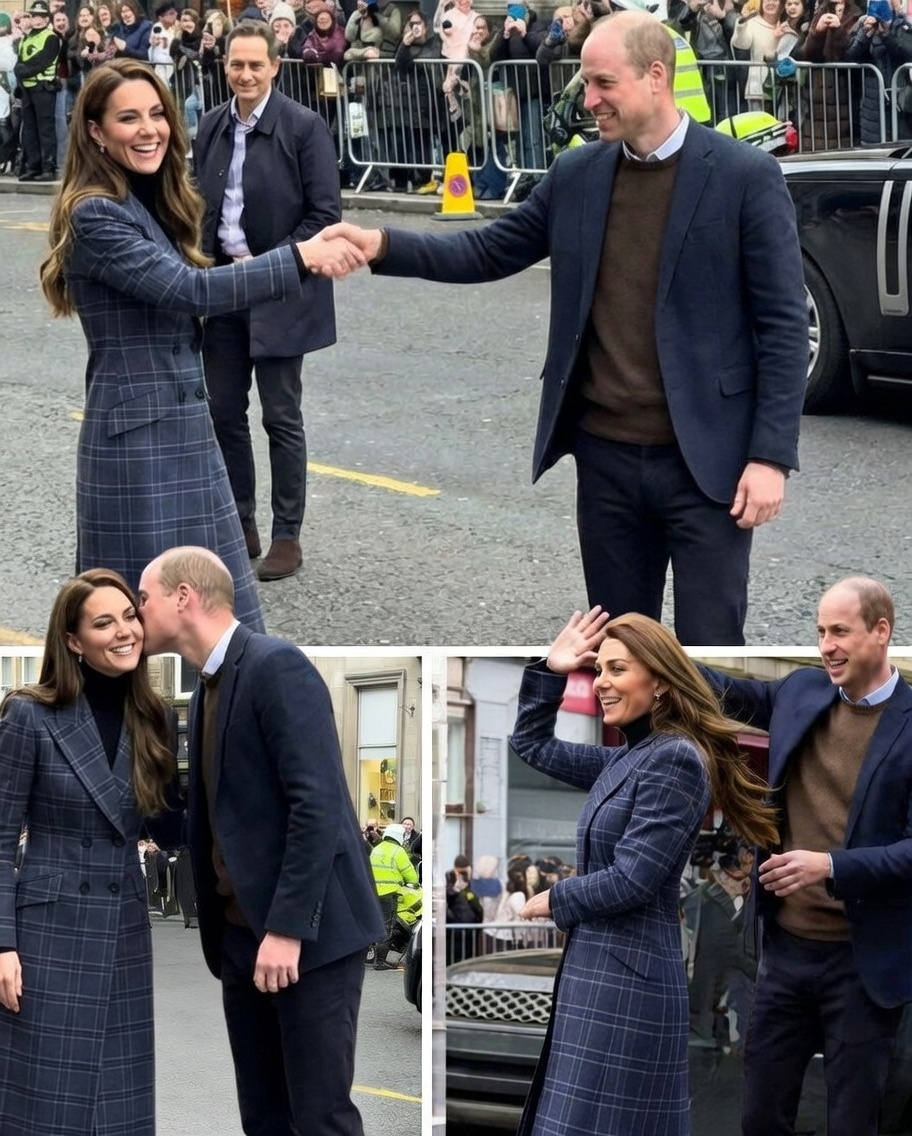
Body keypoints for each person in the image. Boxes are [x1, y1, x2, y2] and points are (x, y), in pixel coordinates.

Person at [319, 10, 807, 646]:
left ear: (655, 77)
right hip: (606, 460)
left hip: (707, 466)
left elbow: (783, 326)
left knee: (709, 659)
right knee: (621, 651)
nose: (589, 99)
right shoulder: (578, 174)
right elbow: (489, 250)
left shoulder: (744, 177)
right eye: (586, 82)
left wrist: (770, 458)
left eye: (604, 83)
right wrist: (382, 244)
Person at [38, 59, 363, 633]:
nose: (149, 129)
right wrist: (300, 256)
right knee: (132, 629)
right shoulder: (95, 213)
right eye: (129, 118)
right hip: (136, 443)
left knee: (224, 625)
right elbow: (190, 290)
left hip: (186, 430)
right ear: (95, 131)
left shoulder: (143, 199)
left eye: (157, 114)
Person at [136, 545, 384, 1136]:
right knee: (264, 1118)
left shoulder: (276, 666)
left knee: (320, 1119)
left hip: (308, 940)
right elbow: (197, 822)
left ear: (183, 597)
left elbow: (317, 806)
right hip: (242, 938)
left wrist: (287, 929)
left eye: (143, 599)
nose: (134, 612)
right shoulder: (205, 690)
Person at [508, 605, 778, 1135]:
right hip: (600, 973)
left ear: (660, 683)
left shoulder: (675, 758)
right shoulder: (628, 757)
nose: (602, 683)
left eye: (617, 669)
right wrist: (551, 670)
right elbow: (531, 745)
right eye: (599, 669)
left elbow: (635, 878)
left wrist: (556, 898)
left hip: (627, 986)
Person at [699, 576, 912, 1136]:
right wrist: (644, 648)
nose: (826, 646)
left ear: (881, 631)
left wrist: (831, 865)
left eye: (839, 631)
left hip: (862, 965)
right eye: (820, 632)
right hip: (784, 954)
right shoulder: (800, 691)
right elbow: (720, 688)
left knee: (852, 1122)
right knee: (759, 1116)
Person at [0, 569, 182, 1135]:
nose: (125, 631)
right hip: (44, 937)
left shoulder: (155, 715)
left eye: (130, 616)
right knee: (45, 1105)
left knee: (118, 1107)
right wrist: (2, 945)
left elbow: (169, 826)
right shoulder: (29, 714)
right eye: (104, 622)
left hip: (123, 928)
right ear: (73, 641)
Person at [194, 21, 342, 582]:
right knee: (223, 411)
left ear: (275, 67)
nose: (246, 74)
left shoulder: (303, 127)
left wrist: (266, 266)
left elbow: (324, 216)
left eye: (256, 64)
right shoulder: (211, 125)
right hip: (222, 291)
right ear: (225, 67)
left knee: (280, 415)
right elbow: (198, 202)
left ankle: (286, 535)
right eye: (237, 64)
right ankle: (241, 522)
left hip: (280, 288)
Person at [15, 0, 60, 183]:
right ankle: (33, 167)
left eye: (41, 16)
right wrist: (20, 72)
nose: (37, 19)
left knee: (45, 129)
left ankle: (48, 167)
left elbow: (41, 62)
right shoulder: (26, 38)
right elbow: (20, 61)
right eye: (34, 16)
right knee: (30, 130)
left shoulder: (51, 37)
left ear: (47, 19)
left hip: (43, 88)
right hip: (27, 89)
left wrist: (22, 70)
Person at [368, 821, 419, 970]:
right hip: (388, 894)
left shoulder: (377, 849)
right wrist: (414, 882)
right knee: (386, 927)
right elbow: (410, 874)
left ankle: (368, 957)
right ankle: (380, 961)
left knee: (373, 924)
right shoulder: (398, 851)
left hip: (372, 893)